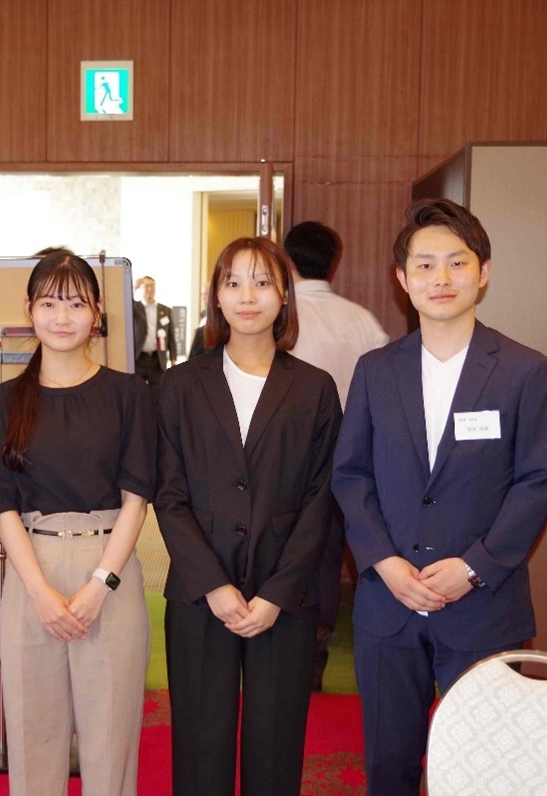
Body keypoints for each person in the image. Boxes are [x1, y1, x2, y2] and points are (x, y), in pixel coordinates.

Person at [331, 198, 547, 794]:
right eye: (425, 265)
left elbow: (537, 479)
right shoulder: (376, 370)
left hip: (484, 606)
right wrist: (384, 563)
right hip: (389, 605)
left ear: (483, 272)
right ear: (402, 278)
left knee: (483, 769)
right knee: (389, 766)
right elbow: (351, 476)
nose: (441, 278)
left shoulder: (525, 370)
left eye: (457, 263)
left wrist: (474, 567)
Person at [156, 236, 342, 796]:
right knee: (200, 744)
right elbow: (169, 494)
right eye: (233, 282)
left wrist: (277, 593)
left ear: (284, 294)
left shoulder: (314, 388)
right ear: (215, 295)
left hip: (283, 596)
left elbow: (322, 498)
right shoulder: (179, 385)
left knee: (275, 747)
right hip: (200, 595)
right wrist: (213, 585)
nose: (247, 296)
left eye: (262, 282)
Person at [0, 251, 154, 796]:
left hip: (110, 570)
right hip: (33, 572)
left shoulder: (129, 394)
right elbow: (1, 504)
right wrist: (40, 592)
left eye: (76, 303)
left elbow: (137, 498)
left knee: (111, 742)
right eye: (49, 303)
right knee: (34, 740)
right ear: (29, 309)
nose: (62, 316)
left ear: (97, 312)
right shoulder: (4, 400)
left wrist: (100, 585)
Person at [283, 220, 390, 691]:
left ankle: (286, 646)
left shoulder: (280, 316)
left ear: (287, 261)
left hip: (287, 456)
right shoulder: (362, 320)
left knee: (288, 548)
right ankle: (317, 649)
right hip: (353, 455)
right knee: (330, 553)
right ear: (334, 263)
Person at [132, 275, 178, 386]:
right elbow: (125, 302)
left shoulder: (165, 310)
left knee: (158, 390)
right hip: (139, 358)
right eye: (146, 286)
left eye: (152, 286)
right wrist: (133, 289)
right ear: (140, 289)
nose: (150, 289)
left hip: (157, 359)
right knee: (137, 390)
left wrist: (173, 359)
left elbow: (171, 336)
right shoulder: (134, 308)